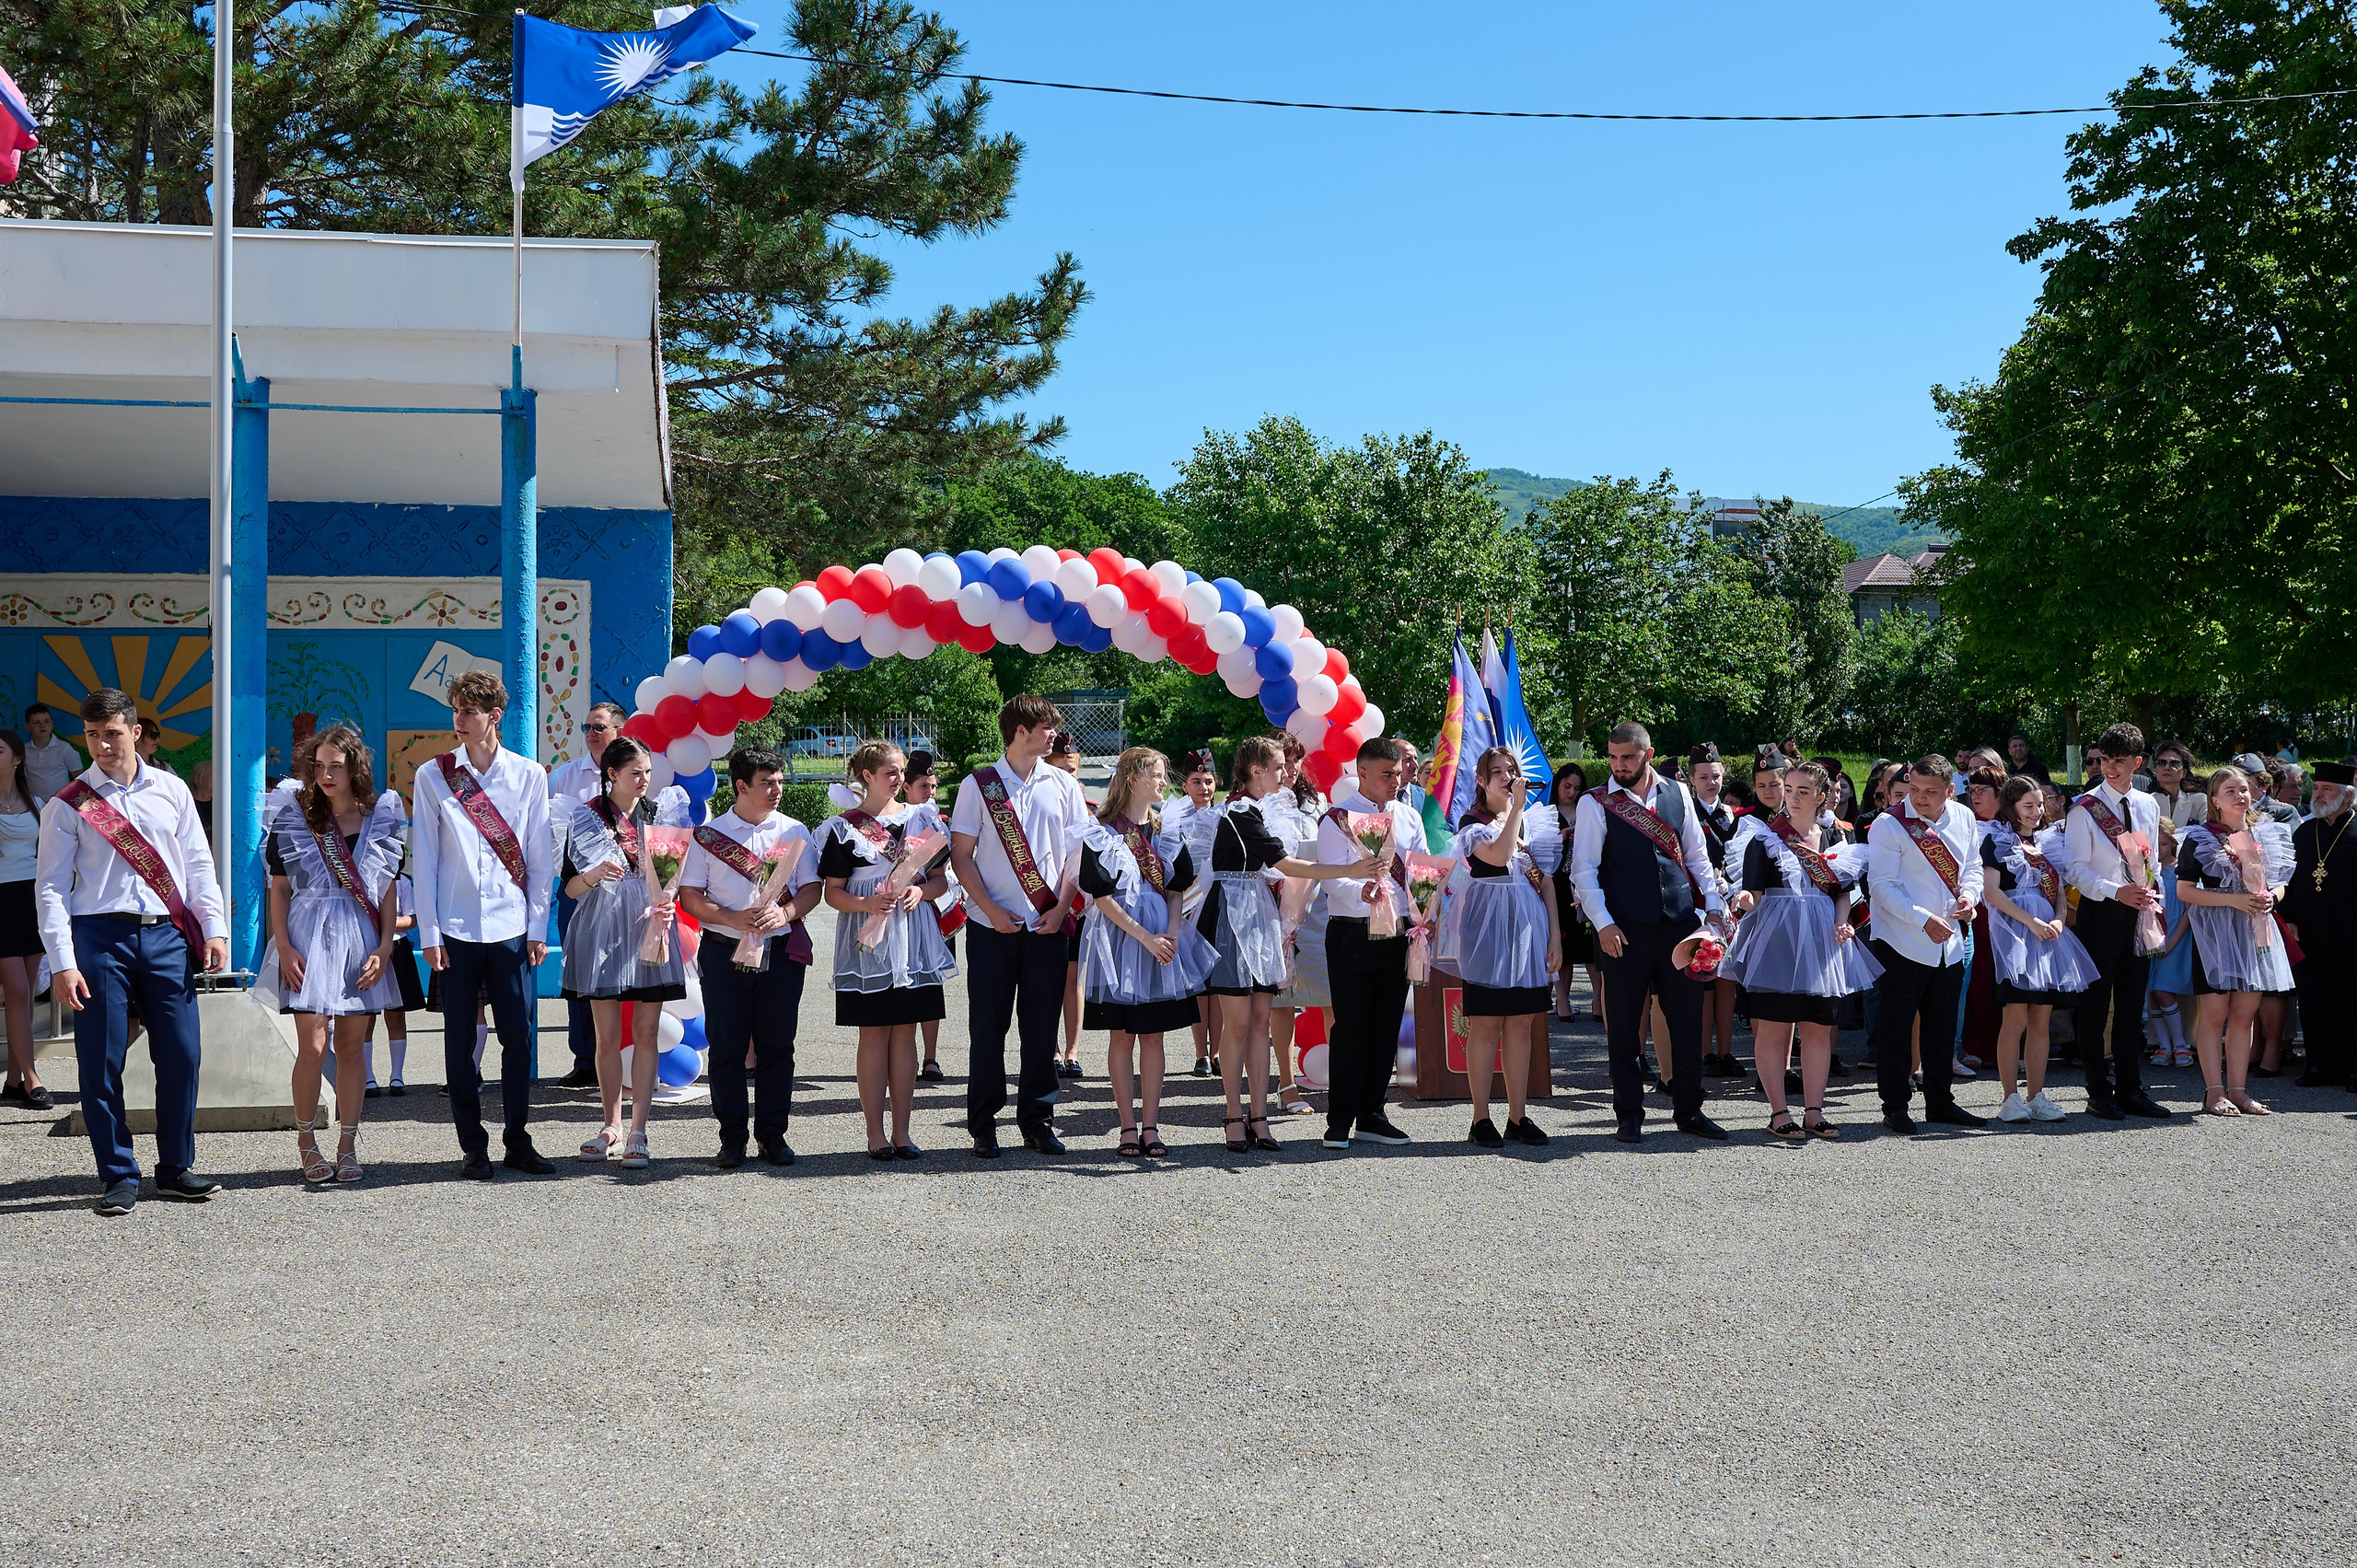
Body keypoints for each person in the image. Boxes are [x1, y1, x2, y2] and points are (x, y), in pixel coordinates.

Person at [33, 688, 230, 1214]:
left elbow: (198, 863)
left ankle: (175, 1168)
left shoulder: (172, 790)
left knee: (183, 1053)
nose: (102, 745)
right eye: (92, 735)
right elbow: (50, 887)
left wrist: (214, 928)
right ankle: (118, 1173)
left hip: (166, 936)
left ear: (136, 732)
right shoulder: (67, 804)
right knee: (100, 1061)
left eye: (112, 734)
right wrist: (62, 961)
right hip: (99, 937)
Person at [410, 669, 558, 1180]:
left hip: (512, 926)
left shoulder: (529, 775)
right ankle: (473, 1146)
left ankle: (517, 1138)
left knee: (519, 1037)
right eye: (455, 710)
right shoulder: (433, 775)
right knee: (458, 1041)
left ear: (495, 716)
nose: (459, 720)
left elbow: (541, 858)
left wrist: (538, 926)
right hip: (453, 929)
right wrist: (427, 934)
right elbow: (424, 859)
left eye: (469, 712)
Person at [1195, 735, 1369, 1155]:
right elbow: (1286, 864)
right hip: (1234, 912)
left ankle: (1259, 1115)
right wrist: (1352, 866)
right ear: (1255, 771)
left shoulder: (1265, 809)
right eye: (1276, 766)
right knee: (1237, 1023)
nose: (1285, 772)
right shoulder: (1239, 811)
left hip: (1257, 909)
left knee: (1259, 1019)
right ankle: (1233, 1114)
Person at [1570, 721, 1729, 1144]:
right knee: (1623, 1028)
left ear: (1648, 754)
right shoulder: (1595, 803)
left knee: (1687, 1024)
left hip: (1679, 926)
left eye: (1628, 757)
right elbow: (1583, 871)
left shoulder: (1677, 793)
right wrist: (1603, 923)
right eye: (1613, 757)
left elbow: (1696, 856)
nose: (1618, 765)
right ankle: (1628, 1116)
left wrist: (1713, 908)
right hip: (1623, 930)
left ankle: (1689, 1110)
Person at [950, 695, 1095, 1158]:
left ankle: (1038, 1119)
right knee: (987, 1028)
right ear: (1020, 732)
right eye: (1046, 727)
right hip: (993, 927)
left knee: (1040, 1028)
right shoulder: (979, 785)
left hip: (1047, 924)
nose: (1053, 734)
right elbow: (960, 855)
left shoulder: (1064, 785)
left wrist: (1064, 906)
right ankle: (984, 1124)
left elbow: (1077, 853)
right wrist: (990, 909)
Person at [259, 726, 405, 1183]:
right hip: (305, 937)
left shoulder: (379, 818)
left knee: (351, 1047)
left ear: (354, 767)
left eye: (335, 766)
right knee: (313, 1045)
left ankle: (347, 1145)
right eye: (318, 766)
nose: (325, 774)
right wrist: (282, 945)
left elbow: (385, 892)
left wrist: (385, 946)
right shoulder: (293, 818)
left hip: (361, 940)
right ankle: (306, 1143)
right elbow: (279, 889)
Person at [679, 745, 821, 1167]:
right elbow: (690, 895)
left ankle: (773, 1136)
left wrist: (787, 911)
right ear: (741, 786)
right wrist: (732, 917)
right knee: (727, 1047)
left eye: (780, 781)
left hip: (780, 952)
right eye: (767, 783)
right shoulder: (710, 835)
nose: (777, 789)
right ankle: (732, 1139)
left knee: (778, 1046)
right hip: (724, 951)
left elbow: (812, 888)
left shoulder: (795, 830)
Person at [1719, 761, 1875, 1141]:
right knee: (1773, 1029)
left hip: (1822, 937)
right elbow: (1753, 893)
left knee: (1818, 1029)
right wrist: (1740, 899)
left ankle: (1814, 1111)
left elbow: (1841, 890)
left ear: (1822, 798)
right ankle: (1778, 1111)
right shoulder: (1765, 839)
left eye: (1802, 791)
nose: (1792, 797)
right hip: (1778, 938)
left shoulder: (1836, 841)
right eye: (1789, 789)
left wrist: (1843, 920)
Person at [557, 734, 689, 1168]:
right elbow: (571, 890)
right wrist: (594, 873)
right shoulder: (586, 818)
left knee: (647, 1032)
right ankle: (610, 1124)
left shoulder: (660, 815)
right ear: (611, 774)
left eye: (648, 772)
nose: (644, 780)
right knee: (607, 1036)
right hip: (603, 932)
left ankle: (639, 1131)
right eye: (636, 773)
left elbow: (676, 878)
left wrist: (668, 901)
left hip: (652, 927)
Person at [819, 741, 956, 1160]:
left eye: (901, 772)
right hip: (868, 939)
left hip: (914, 940)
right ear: (867, 777)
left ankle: (903, 1131)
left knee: (906, 1033)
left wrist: (920, 889)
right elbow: (832, 894)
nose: (898, 780)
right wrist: (865, 904)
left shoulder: (923, 819)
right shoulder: (845, 828)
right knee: (874, 1033)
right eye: (890, 773)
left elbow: (941, 881)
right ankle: (874, 1133)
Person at [1077, 747, 1212, 1158]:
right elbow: (1100, 896)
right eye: (1156, 774)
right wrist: (1144, 937)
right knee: (1123, 1036)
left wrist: (1170, 931)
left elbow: (1176, 888)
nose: (1162, 782)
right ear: (1133, 777)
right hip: (1124, 940)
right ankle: (1126, 1127)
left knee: (1154, 1036)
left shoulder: (1165, 829)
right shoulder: (1103, 829)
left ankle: (1151, 1126)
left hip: (1161, 940)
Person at [1439, 747, 1559, 1148]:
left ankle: (1518, 1115)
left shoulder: (1527, 821)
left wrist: (1556, 935)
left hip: (1527, 930)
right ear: (1481, 780)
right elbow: (1500, 854)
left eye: (1512, 770)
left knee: (1522, 1024)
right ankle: (1480, 1118)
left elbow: (1546, 881)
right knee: (1487, 1025)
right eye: (1498, 772)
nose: (1507, 778)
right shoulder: (1474, 822)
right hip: (1488, 932)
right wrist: (1517, 810)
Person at [2054, 723, 2171, 1121]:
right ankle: (2097, 1091)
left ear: (2138, 762)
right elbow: (2074, 870)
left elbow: (2152, 860)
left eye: (2119, 762)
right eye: (2105, 760)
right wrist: (2114, 890)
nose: (2109, 768)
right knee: (2094, 1003)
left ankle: (2130, 1089)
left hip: (2138, 908)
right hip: (2100, 910)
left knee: (2131, 1004)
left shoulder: (2149, 804)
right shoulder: (2084, 807)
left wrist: (2153, 899)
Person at [1864, 755, 1987, 1133]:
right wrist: (1922, 920)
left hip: (1949, 940)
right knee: (1897, 1028)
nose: (1918, 798)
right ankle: (1895, 1106)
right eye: (1913, 789)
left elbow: (1973, 867)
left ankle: (1940, 1103)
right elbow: (1881, 887)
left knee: (1941, 1027)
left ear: (1951, 791)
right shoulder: (1888, 825)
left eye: (1930, 792)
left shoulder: (1964, 818)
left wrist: (1970, 896)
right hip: (1902, 940)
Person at [1316, 736, 1426, 1152]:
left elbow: (1419, 868)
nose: (1394, 782)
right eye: (1385, 775)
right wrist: (1357, 890)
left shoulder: (1409, 816)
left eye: (1397, 774)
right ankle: (1339, 1120)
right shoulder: (1337, 819)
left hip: (1397, 931)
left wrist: (1427, 902)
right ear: (1361, 773)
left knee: (1386, 1026)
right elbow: (1331, 877)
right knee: (1352, 1026)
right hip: (1352, 931)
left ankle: (1373, 1115)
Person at [1979, 776, 2100, 1122]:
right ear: (2011, 806)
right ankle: (2009, 1098)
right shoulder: (1996, 841)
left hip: (2047, 937)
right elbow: (1992, 892)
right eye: (2028, 806)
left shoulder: (2047, 844)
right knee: (2014, 1019)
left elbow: (2060, 892)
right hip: (2014, 938)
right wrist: (2030, 922)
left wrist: (2060, 920)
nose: (2037, 811)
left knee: (2042, 1021)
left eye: (2040, 805)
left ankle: (2037, 1096)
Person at [2177, 766, 2295, 1116]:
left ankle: (2240, 1091)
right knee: (2215, 1014)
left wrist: (2274, 896)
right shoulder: (2200, 838)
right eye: (2230, 790)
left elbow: (2281, 882)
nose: (2239, 796)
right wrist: (2233, 900)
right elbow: (2186, 892)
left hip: (2254, 930)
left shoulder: (2267, 833)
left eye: (2243, 789)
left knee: (2245, 1016)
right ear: (2214, 799)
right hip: (2215, 934)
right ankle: (2214, 1092)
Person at [546, 701, 626, 1090]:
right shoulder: (564, 777)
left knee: (629, 973)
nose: (592, 734)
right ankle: (585, 1059)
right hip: (578, 889)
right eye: (587, 727)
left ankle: (626, 1056)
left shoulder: (639, 773)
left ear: (619, 731)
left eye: (600, 727)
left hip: (627, 893)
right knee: (579, 972)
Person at [1261, 732, 1329, 1118]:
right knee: (1281, 1003)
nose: (1289, 770)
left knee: (1330, 995)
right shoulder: (1251, 805)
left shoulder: (1317, 802)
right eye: (1281, 761)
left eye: (1295, 761)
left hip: (1317, 912)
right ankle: (1286, 1086)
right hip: (1271, 913)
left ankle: (1342, 1083)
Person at [2282, 761, 2355, 1090]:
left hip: (2349, 934)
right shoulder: (2304, 831)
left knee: (2349, 998)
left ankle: (2354, 1068)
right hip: (2309, 931)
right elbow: (2289, 879)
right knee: (2312, 998)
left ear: (2347, 796)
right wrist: (2291, 918)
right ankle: (2319, 1066)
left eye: (2327, 789)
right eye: (2317, 788)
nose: (2319, 794)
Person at [1161, 748, 1225, 1076]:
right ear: (1184, 785)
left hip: (1217, 902)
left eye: (1209, 781)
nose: (1204, 787)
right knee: (1198, 981)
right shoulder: (1172, 817)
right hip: (1186, 903)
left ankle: (1219, 1052)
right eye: (1196, 781)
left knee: (1220, 982)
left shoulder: (1225, 814)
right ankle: (1201, 1053)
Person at [894, 750, 956, 1081]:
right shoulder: (895, 818)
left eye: (933, 786)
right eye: (922, 786)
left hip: (934, 909)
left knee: (931, 985)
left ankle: (931, 1057)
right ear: (905, 787)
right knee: (902, 985)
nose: (930, 792)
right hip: (899, 909)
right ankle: (902, 1056)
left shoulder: (938, 820)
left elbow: (943, 869)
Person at [0, 730, 52, 1109]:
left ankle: (14, 1080)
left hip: (30, 897)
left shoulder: (37, 804)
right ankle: (32, 1079)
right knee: (16, 990)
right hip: (0, 899)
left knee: (29, 990)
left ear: (17, 758)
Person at [1687, 743, 1745, 1078]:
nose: (1711, 782)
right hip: (1699, 906)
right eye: (1704, 776)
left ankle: (1725, 1051)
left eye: (1716, 776)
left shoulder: (1734, 817)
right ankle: (1705, 1052)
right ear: (1692, 779)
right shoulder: (1686, 813)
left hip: (1730, 905)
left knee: (1727, 980)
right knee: (1704, 975)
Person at [1042, 730, 1089, 1080]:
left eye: (1073, 771)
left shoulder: (1089, 810)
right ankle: (1050, 1049)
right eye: (1061, 769)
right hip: (1041, 897)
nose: (1068, 777)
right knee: (1046, 978)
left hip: (1075, 902)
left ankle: (1072, 1051)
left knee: (1073, 977)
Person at [1538, 760, 1596, 1021]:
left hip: (1584, 884)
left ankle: (1599, 1002)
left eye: (1576, 788)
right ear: (1558, 784)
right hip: (1557, 886)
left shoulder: (1588, 809)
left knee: (1589, 945)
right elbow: (1537, 847)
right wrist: (1561, 836)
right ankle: (1562, 1000)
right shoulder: (1547, 811)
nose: (1571, 792)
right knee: (1563, 944)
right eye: (1566, 786)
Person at [21, 703, 78, 800]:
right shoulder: (23, 750)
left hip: (61, 803)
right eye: (36, 722)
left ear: (51, 724)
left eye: (46, 721)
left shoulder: (65, 748)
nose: (42, 725)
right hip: (34, 804)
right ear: (28, 727)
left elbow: (79, 777)